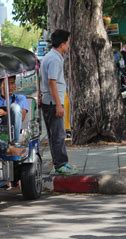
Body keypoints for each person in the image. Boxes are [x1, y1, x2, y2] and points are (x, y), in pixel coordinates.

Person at [40, 29, 78, 175]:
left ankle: (61, 163)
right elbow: (52, 82)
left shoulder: (49, 56)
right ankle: (61, 165)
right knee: (58, 135)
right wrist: (58, 104)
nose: (68, 46)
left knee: (55, 135)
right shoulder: (54, 59)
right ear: (62, 44)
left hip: (48, 101)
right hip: (52, 103)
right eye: (67, 43)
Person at [0, 76, 29, 144]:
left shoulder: (20, 98)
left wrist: (5, 113)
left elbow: (21, 116)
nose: (10, 87)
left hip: (12, 128)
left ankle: (14, 143)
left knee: (15, 107)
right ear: (0, 85)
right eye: (7, 83)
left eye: (12, 83)